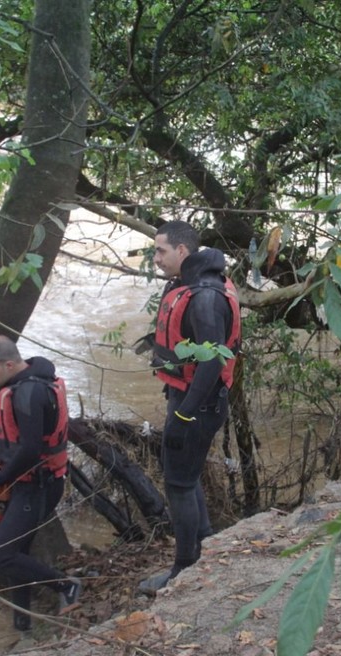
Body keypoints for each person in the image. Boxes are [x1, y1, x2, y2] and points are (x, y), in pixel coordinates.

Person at [138, 220, 241, 594]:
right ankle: (205, 543)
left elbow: (212, 362)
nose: (156, 258)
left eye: (161, 250)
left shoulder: (206, 296)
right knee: (186, 475)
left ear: (183, 251)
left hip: (199, 403)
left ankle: (183, 569)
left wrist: (184, 414)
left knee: (179, 483)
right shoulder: (188, 284)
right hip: (186, 397)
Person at [0, 335, 81, 631]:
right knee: (17, 553)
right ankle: (21, 626)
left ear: (9, 364)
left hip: (37, 487)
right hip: (29, 484)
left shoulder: (29, 393)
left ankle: (66, 586)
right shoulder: (29, 383)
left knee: (0, 557)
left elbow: (31, 449)